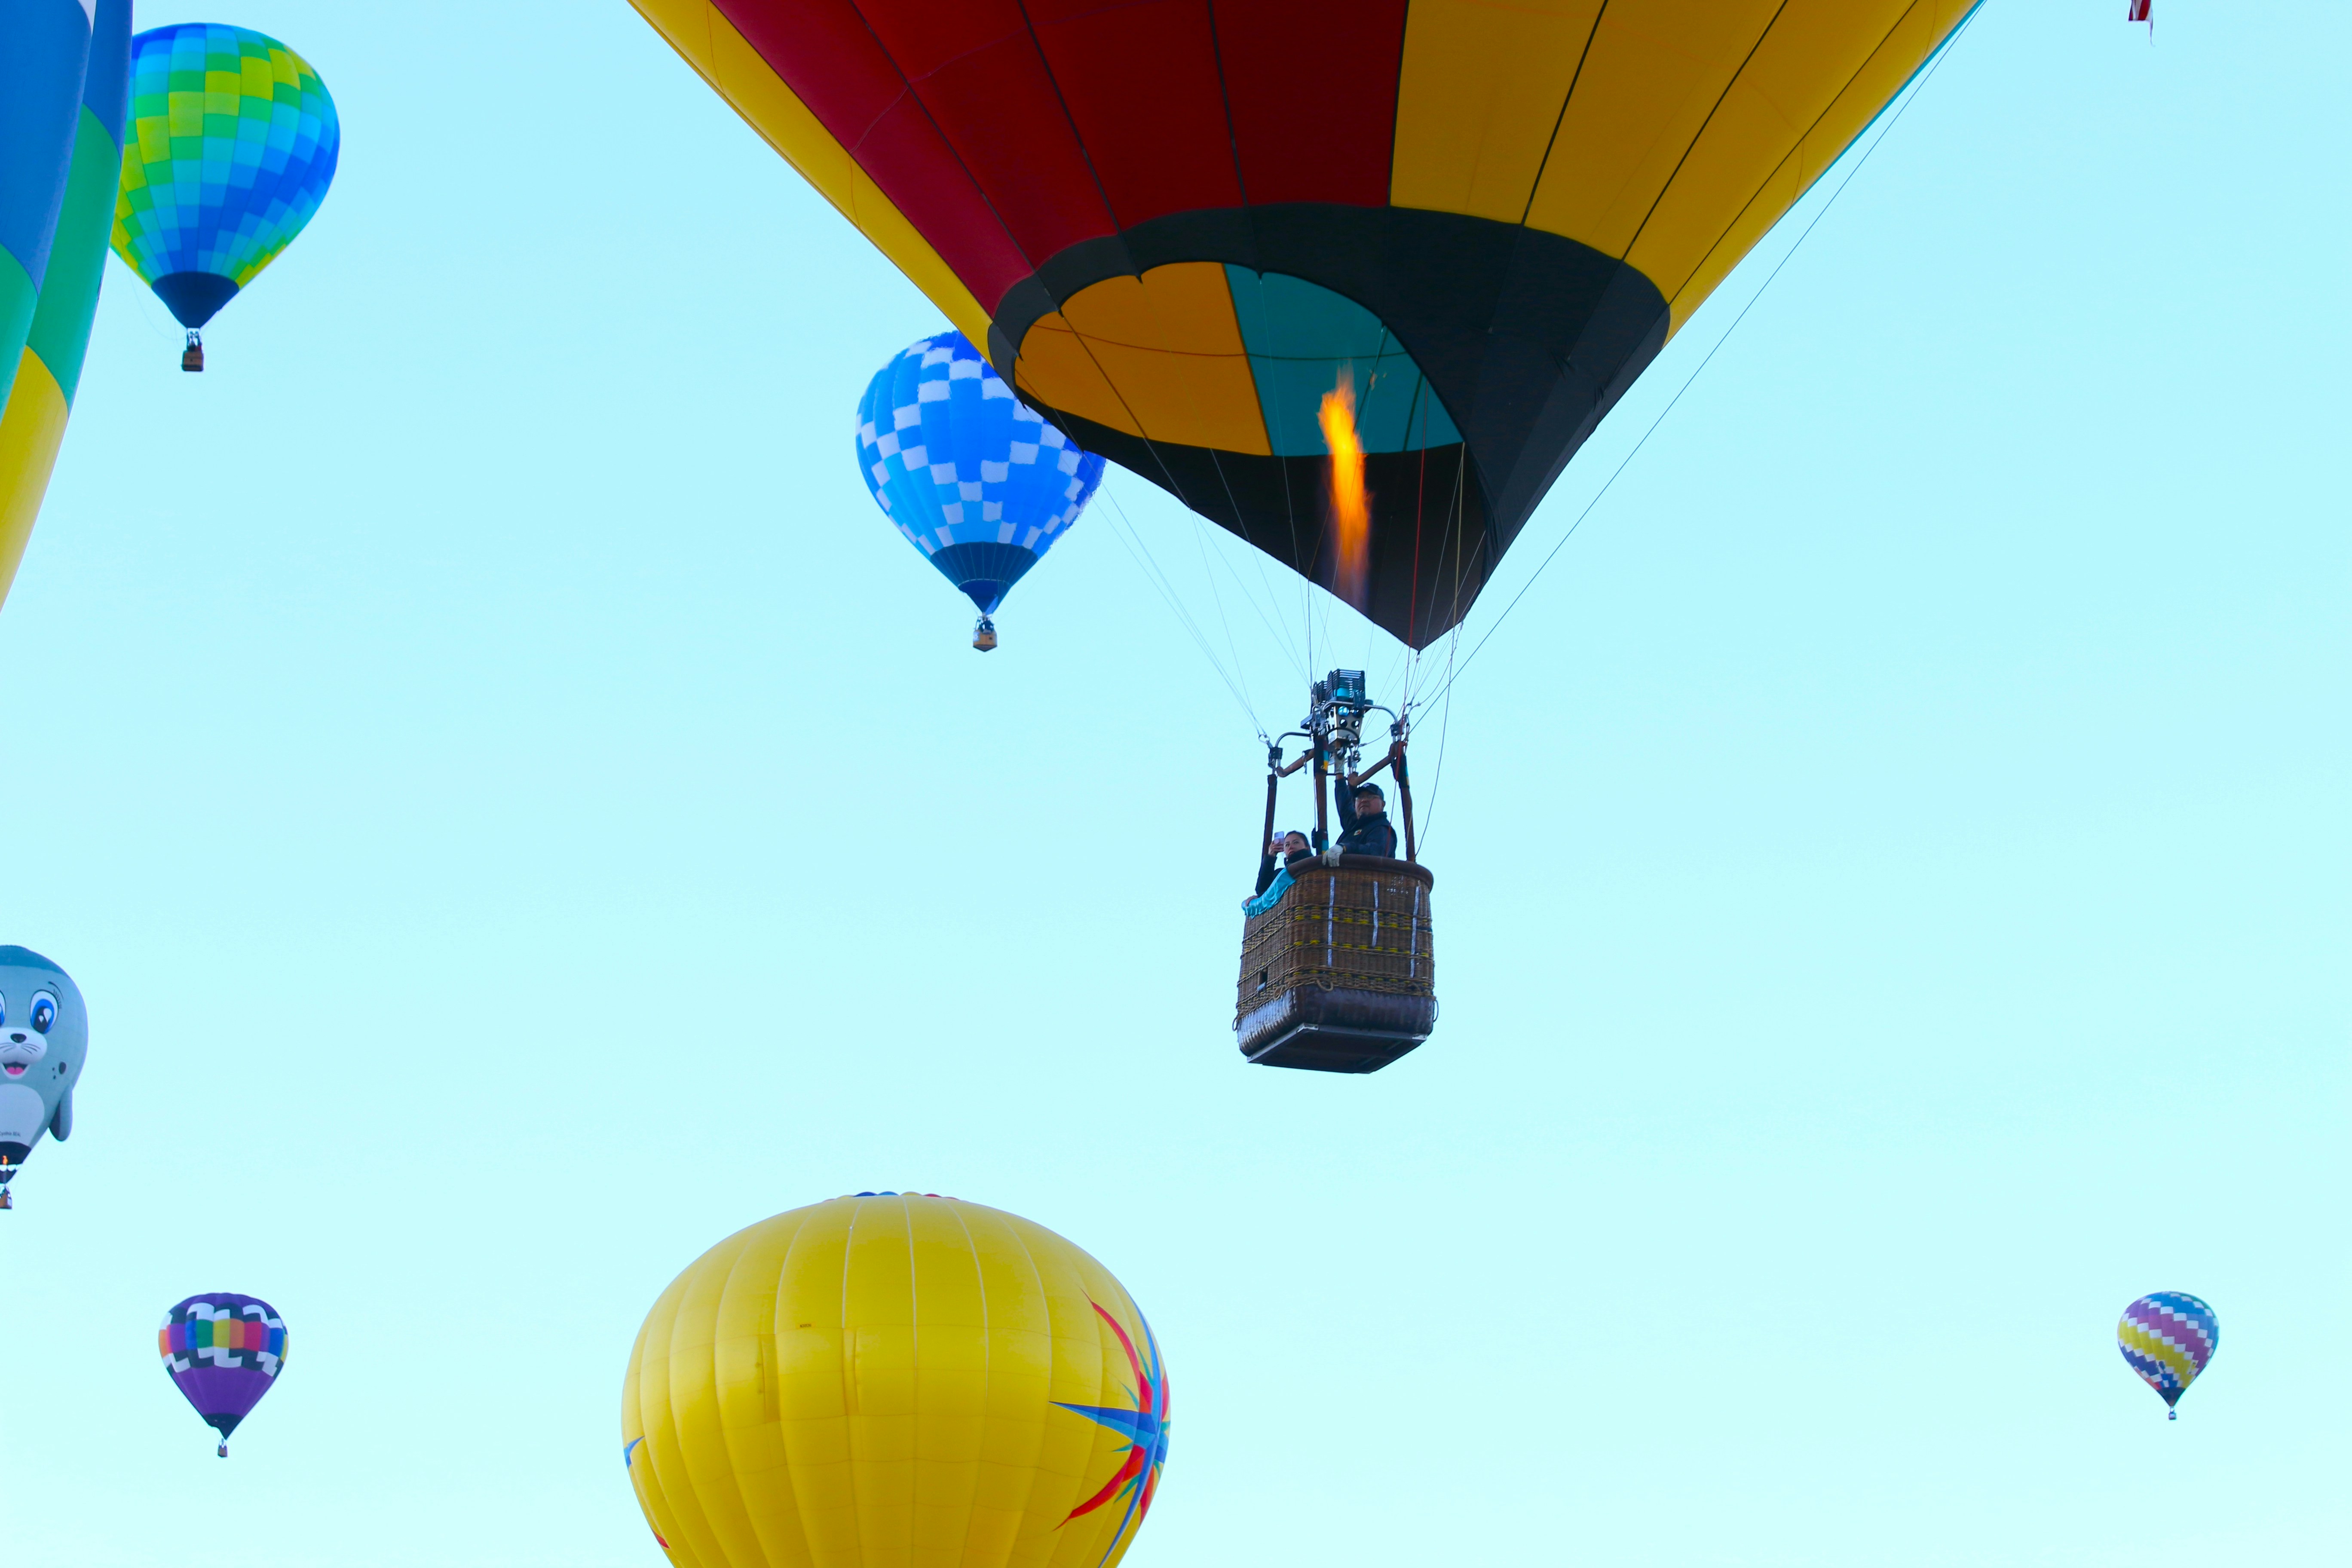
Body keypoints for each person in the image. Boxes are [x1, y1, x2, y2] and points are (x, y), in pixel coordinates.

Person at [1243, 831, 1314, 916]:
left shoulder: (1316, 865)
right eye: (1287, 845)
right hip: (1290, 916)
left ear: (1307, 847)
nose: (1291, 846)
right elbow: (1262, 889)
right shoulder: (1280, 875)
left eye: (1296, 842)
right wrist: (1271, 856)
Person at [1333, 781, 1398, 859]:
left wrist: (1345, 848)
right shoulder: (1354, 824)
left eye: (1370, 797)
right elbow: (1344, 804)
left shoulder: (1382, 829)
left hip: (1364, 872)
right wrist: (1339, 777)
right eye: (1360, 797)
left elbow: (1376, 852)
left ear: (1383, 805)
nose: (1364, 800)